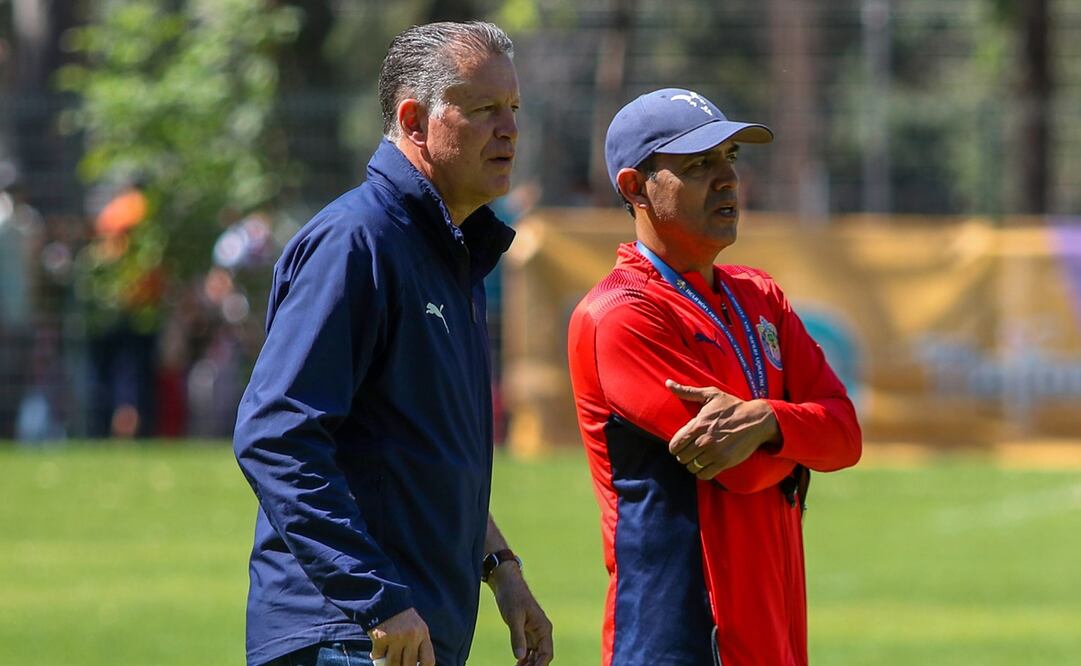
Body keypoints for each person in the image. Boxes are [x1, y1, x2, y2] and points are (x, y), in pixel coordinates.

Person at [234, 22, 553, 666]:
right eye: (483, 108)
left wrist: (500, 567)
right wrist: (375, 598)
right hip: (349, 637)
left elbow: (415, 452)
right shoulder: (357, 243)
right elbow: (276, 435)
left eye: (514, 108)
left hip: (404, 630)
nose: (510, 129)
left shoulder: (450, 252)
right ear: (415, 119)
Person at [567, 88, 862, 666]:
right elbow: (743, 469)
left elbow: (846, 435)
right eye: (699, 165)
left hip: (771, 631)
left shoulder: (759, 295)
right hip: (675, 635)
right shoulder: (619, 315)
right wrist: (797, 439)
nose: (727, 179)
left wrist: (766, 420)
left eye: (731, 159)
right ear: (634, 187)